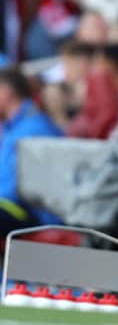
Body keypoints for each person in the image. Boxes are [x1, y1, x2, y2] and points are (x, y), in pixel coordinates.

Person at [0, 67, 63, 236]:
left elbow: (21, 188)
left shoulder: (34, 127)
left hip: (27, 212)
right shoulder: (14, 127)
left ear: (7, 92)